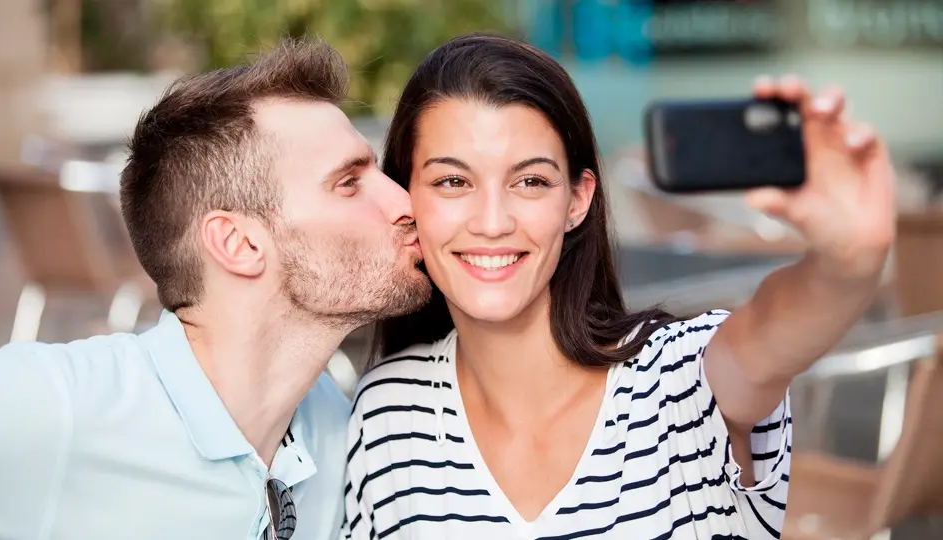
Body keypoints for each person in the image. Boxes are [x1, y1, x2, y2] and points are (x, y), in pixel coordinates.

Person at [341, 33, 895, 540]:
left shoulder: (679, 382)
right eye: (452, 181)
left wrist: (850, 258)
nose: (492, 221)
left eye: (530, 181)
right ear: (406, 197)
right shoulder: (387, 412)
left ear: (577, 200)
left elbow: (776, 332)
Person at [0, 38, 430, 540]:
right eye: (348, 183)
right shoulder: (54, 406)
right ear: (238, 243)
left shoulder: (340, 428)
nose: (406, 201)